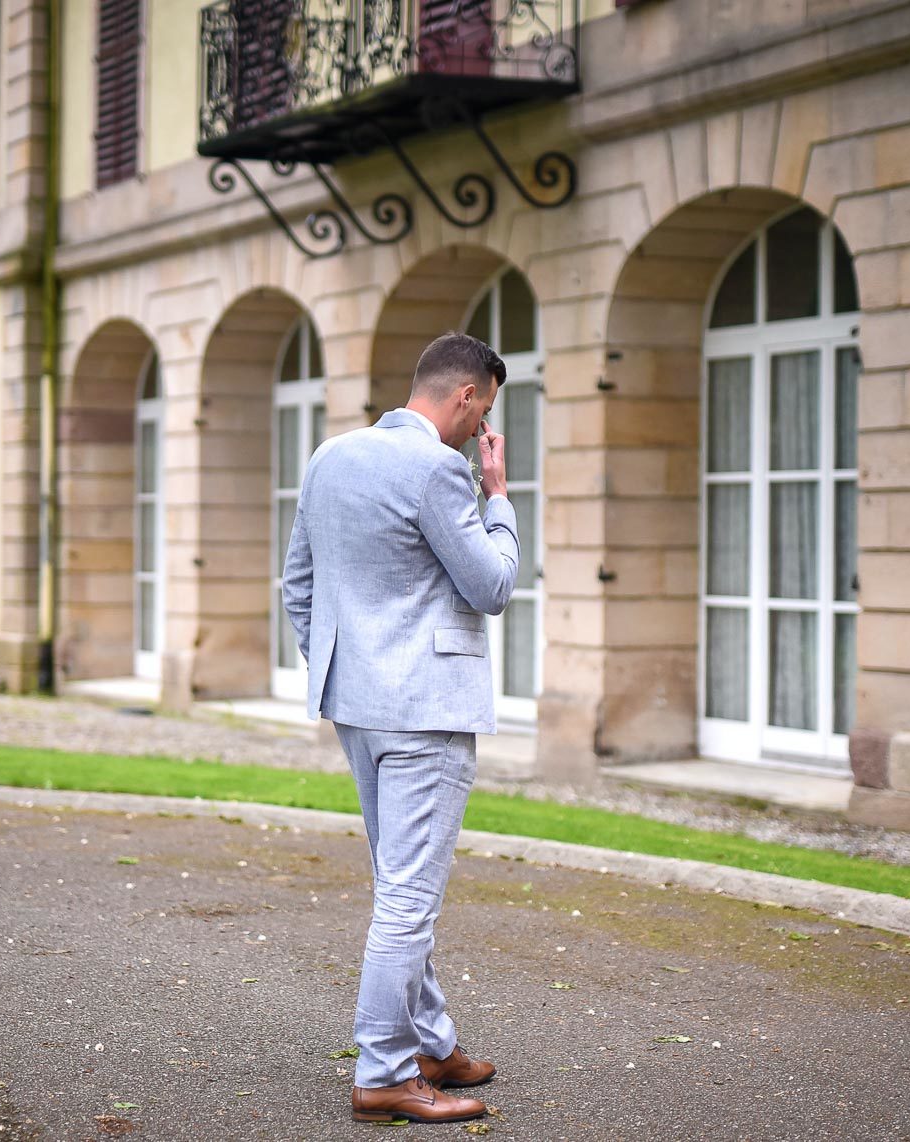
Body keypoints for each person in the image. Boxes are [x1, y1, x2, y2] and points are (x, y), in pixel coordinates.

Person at [282, 330, 522, 1124]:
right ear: (464, 396)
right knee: (408, 900)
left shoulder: (328, 458)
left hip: (357, 704)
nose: (479, 425)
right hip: (426, 710)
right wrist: (499, 497)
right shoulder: (439, 470)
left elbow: (299, 586)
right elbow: (490, 586)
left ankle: (433, 1044)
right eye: (482, 409)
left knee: (397, 885)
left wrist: (344, 670)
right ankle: (384, 1073)